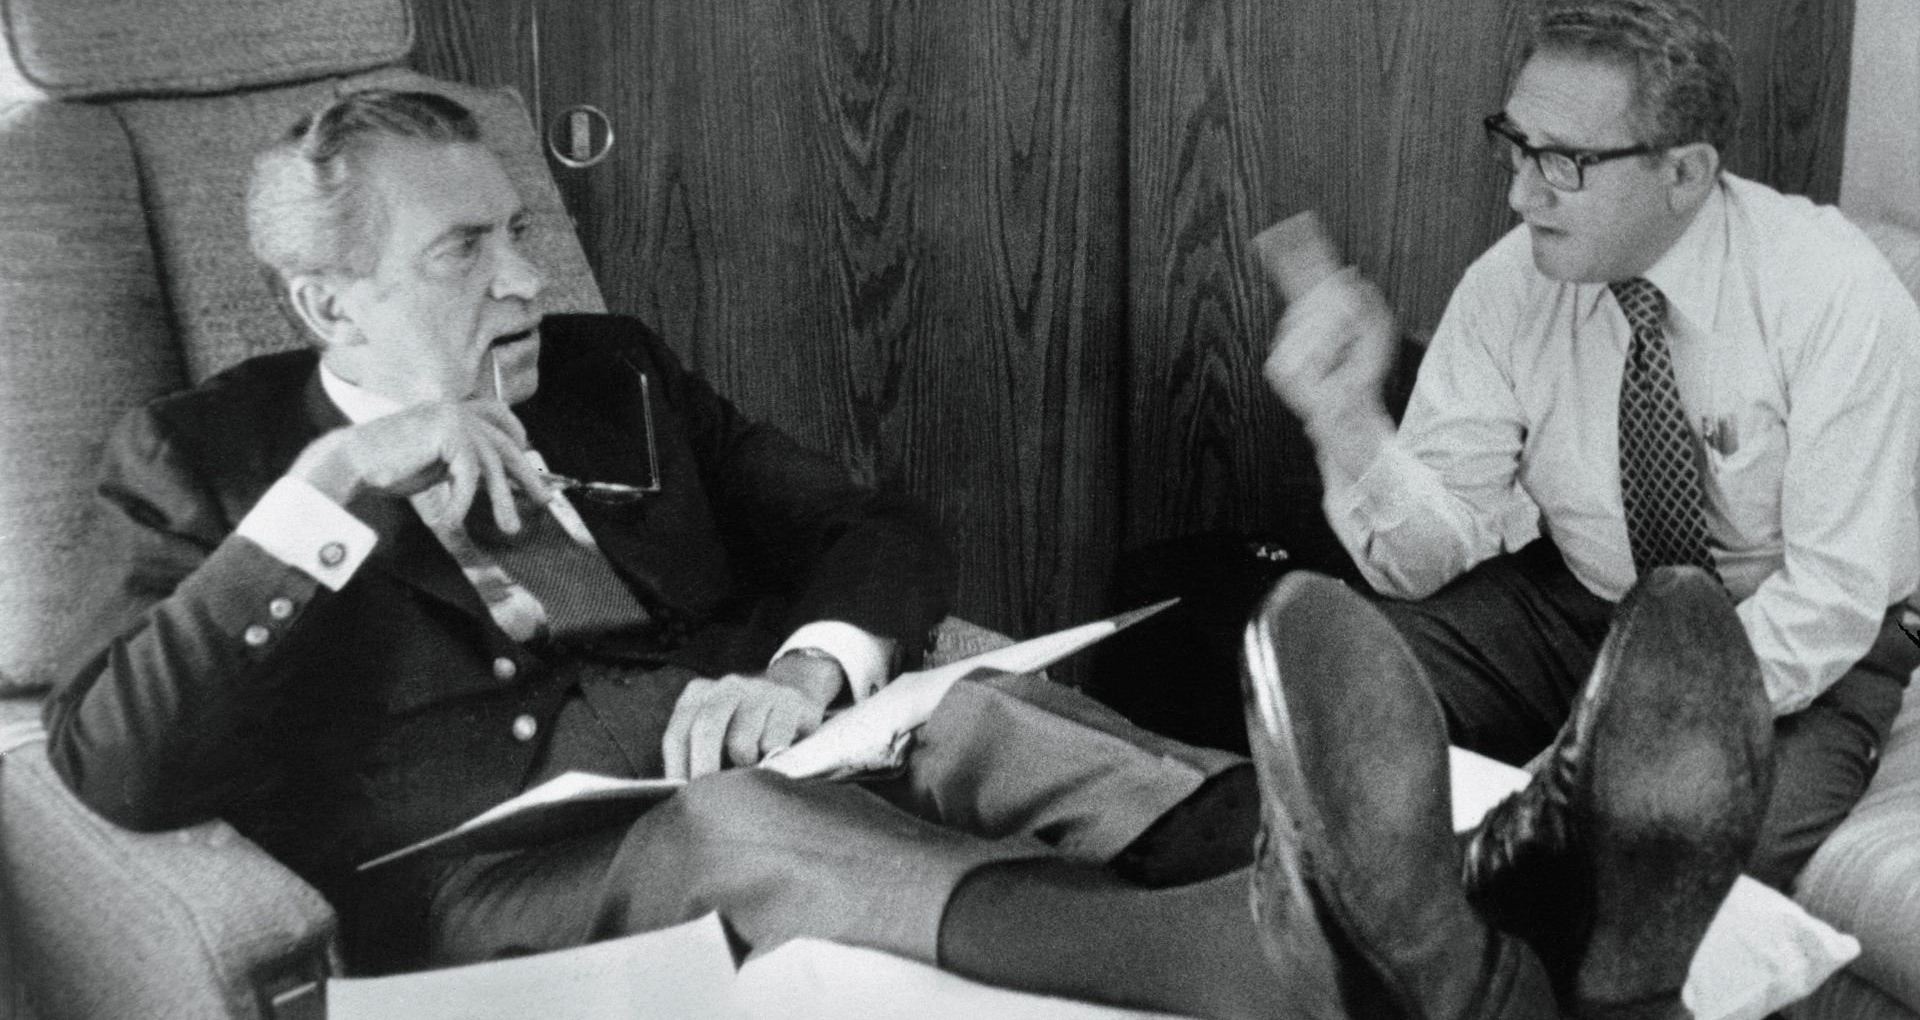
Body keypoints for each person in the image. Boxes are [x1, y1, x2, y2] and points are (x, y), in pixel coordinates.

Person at [45, 88, 1753, 1020]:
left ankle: (1490, 882)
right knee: (739, 824)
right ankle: (1319, 962)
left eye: (520, 233)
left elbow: (871, 524)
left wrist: (808, 664)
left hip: (775, 740)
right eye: (464, 252)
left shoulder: (609, 368)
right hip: (491, 870)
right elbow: (107, 759)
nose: (523, 284)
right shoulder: (210, 461)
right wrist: (343, 482)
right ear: (326, 298)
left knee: (985, 717)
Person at [1263, 0, 1920, 897]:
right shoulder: (1510, 285)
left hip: (1789, 636)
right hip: (1585, 600)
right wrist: (1345, 419)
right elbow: (1421, 565)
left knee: (1691, 862)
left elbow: (1834, 596)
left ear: (1685, 172)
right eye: (1516, 147)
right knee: (1331, 700)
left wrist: (1606, 742)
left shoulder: (1832, 292)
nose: (1521, 193)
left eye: (1564, 161)